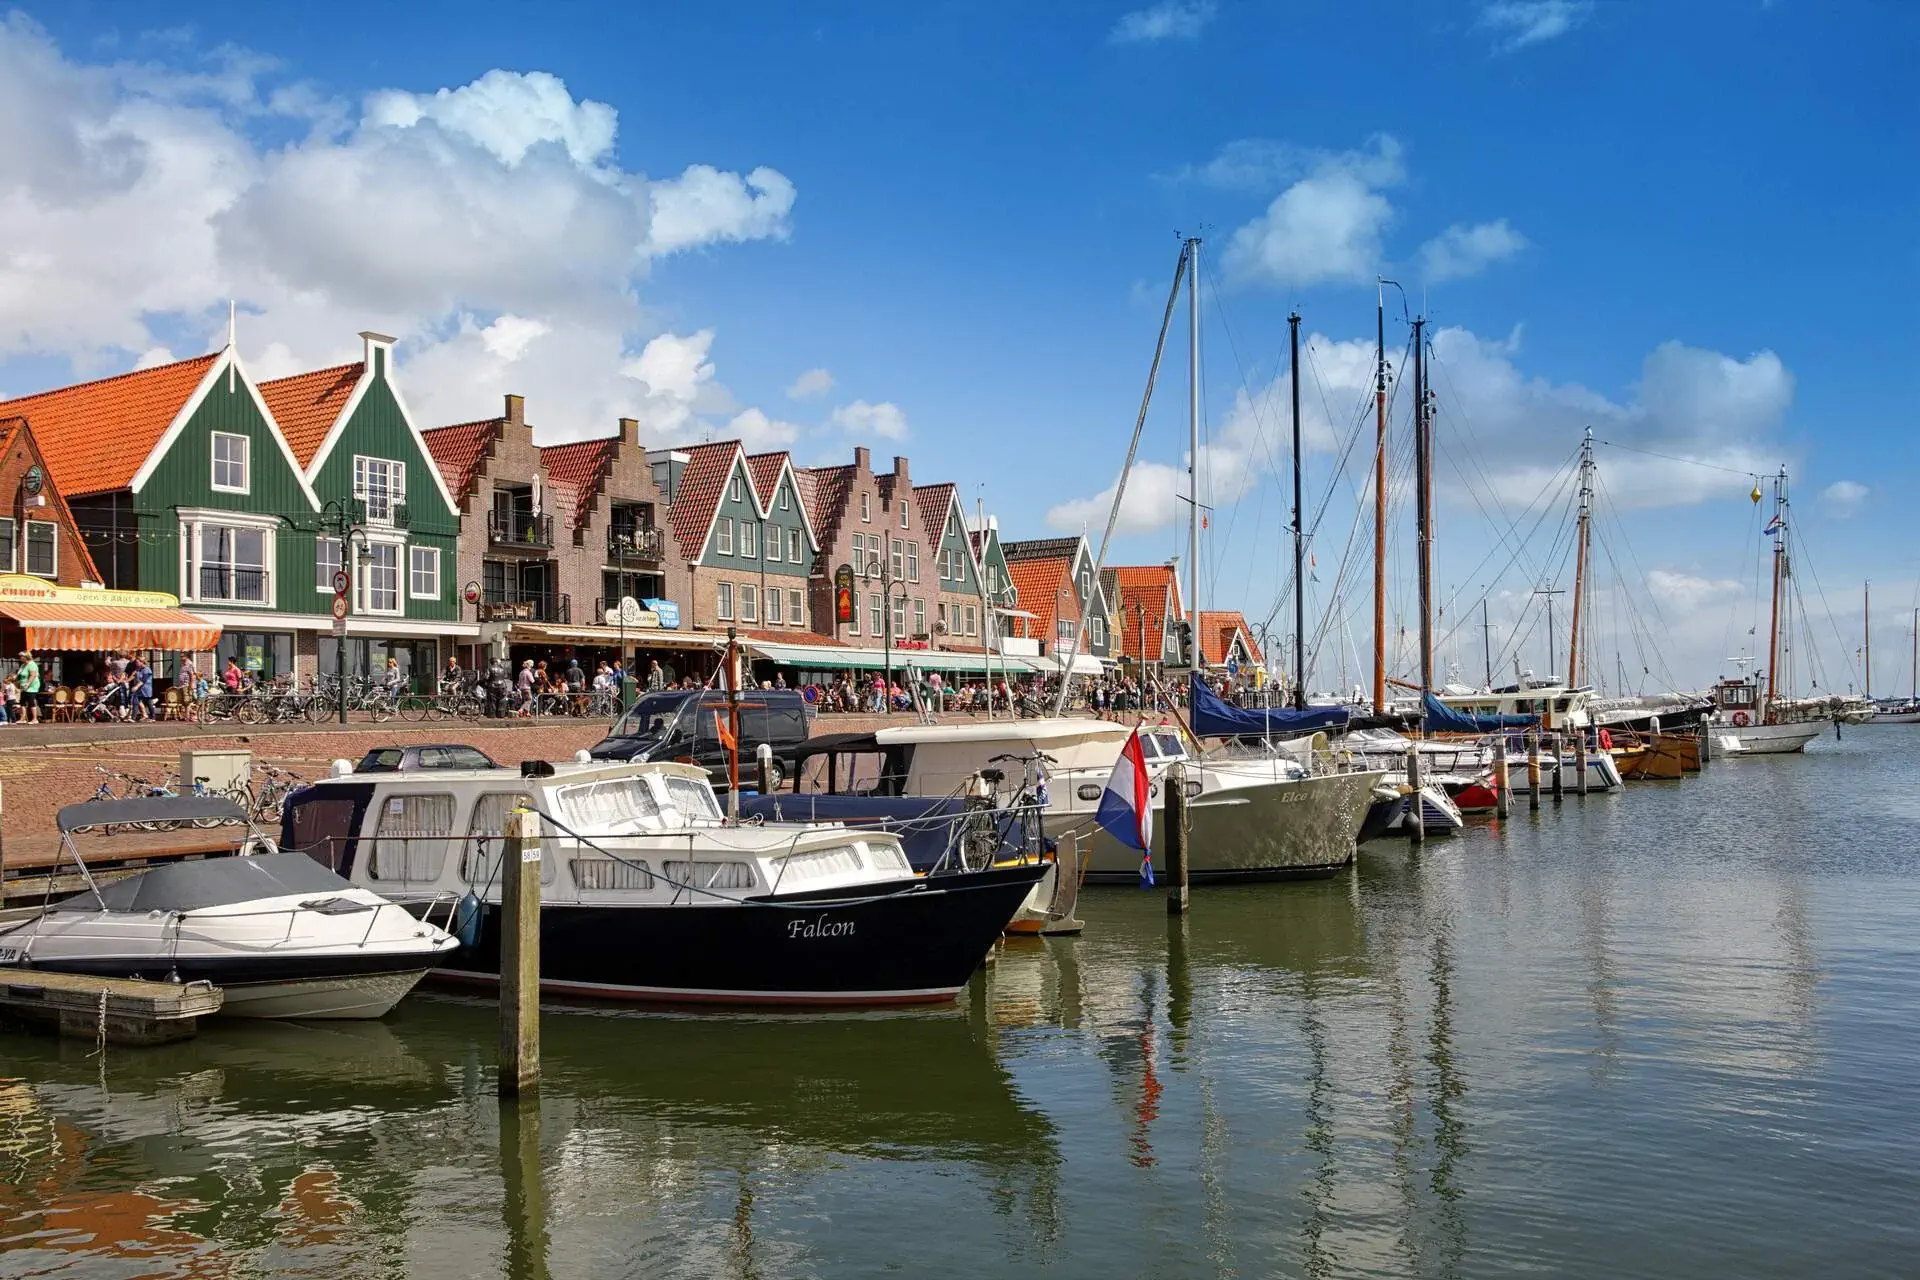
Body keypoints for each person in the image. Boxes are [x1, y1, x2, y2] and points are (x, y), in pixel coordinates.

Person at [17, 650, 41, 723]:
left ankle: (34, 719)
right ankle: (23, 719)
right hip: (23, 686)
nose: (20, 658)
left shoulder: (32, 664)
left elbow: (32, 675)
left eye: (21, 656)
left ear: (26, 657)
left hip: (31, 686)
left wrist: (27, 684)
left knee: (31, 702)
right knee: (22, 702)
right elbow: (19, 674)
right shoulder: (23, 665)